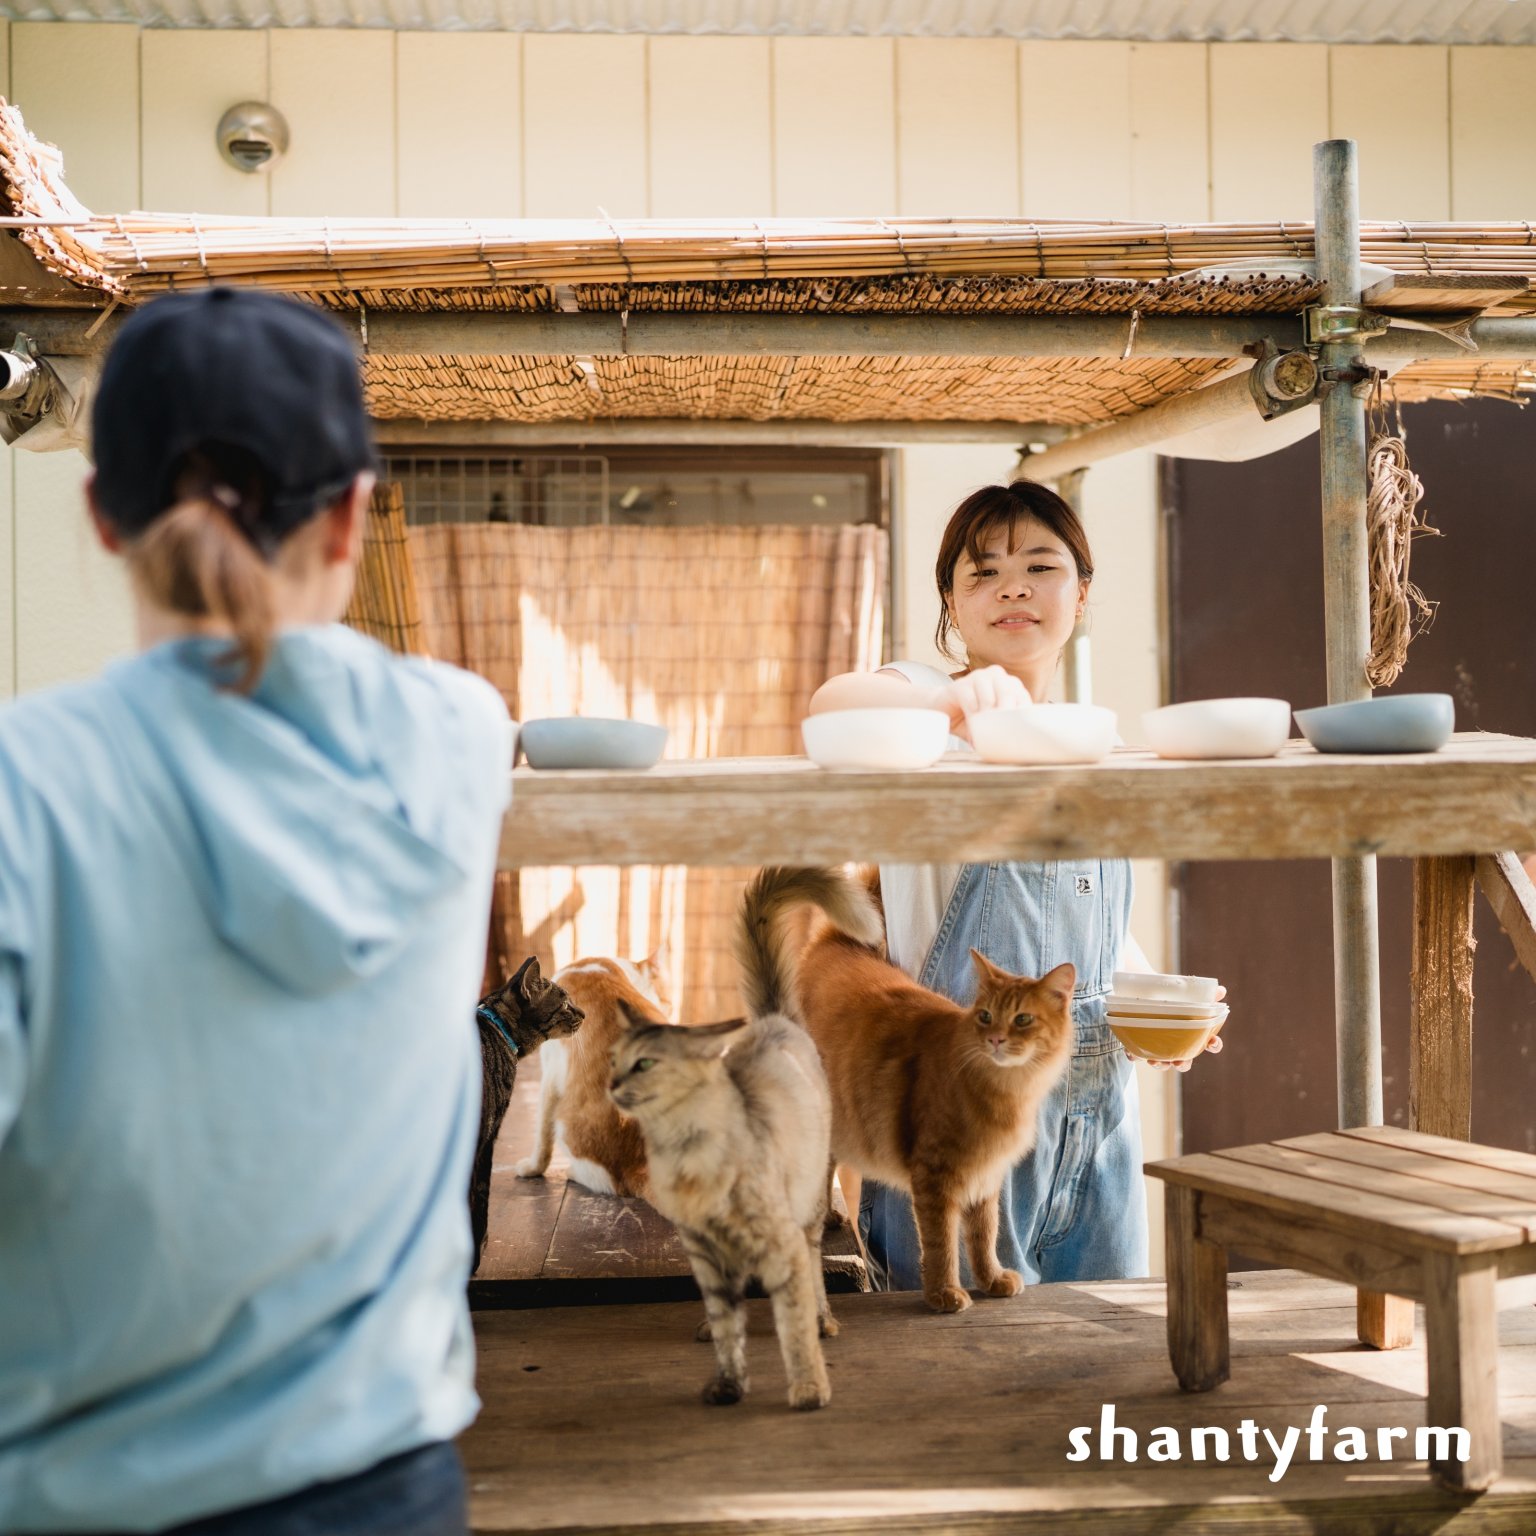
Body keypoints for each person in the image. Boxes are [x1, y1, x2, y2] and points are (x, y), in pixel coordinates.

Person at [0, 289, 514, 1535]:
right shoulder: (455, 735)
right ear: (350, 517)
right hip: (387, 1484)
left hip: (79, 1493)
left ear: (102, 516)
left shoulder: (27, 785)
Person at [810, 478, 1222, 1292]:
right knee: (958, 1356)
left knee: (1108, 1341)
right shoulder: (921, 731)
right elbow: (833, 702)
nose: (1013, 588)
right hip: (957, 1116)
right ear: (951, 604)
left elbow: (1098, 929)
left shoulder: (1098, 748)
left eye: (1040, 566)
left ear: (1082, 594)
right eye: (984, 573)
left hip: (1099, 1127)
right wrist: (949, 700)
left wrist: (1162, 1010)